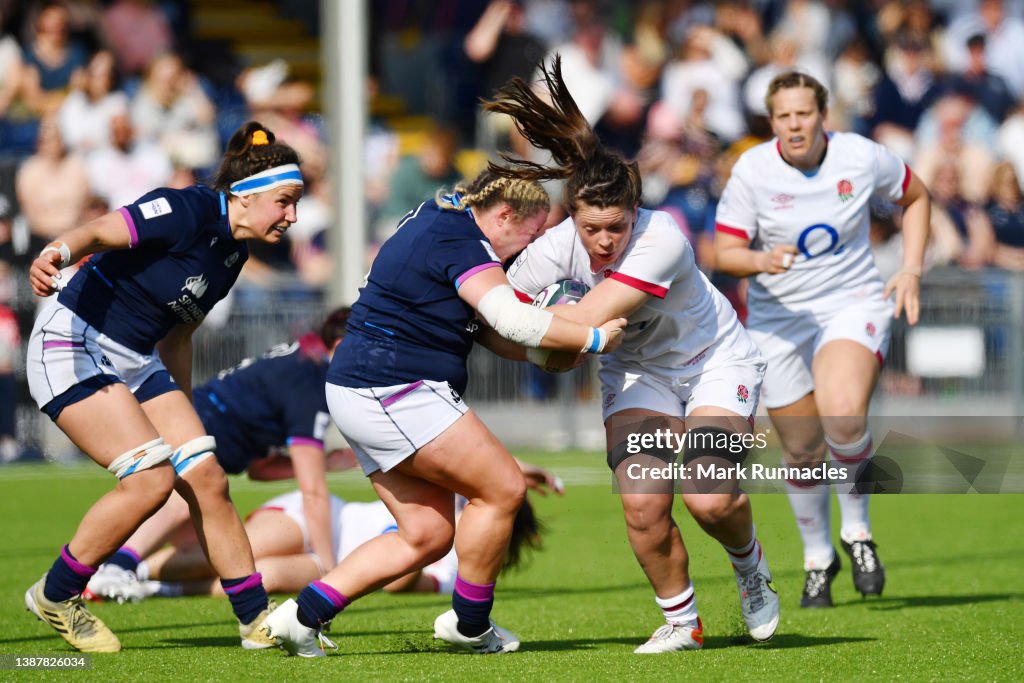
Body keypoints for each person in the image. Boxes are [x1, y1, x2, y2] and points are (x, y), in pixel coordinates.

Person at [262, 168, 627, 657]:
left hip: (368, 387)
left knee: (426, 535)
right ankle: (471, 625)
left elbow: (493, 333)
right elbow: (512, 320)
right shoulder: (458, 237)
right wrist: (595, 337)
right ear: (503, 215)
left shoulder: (444, 219)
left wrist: (550, 350)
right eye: (532, 233)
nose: (531, 246)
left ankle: (302, 615)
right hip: (391, 385)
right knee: (503, 489)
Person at [490, 56, 780, 654]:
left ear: (635, 214)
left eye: (615, 227)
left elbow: (587, 319)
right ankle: (683, 623)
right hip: (639, 373)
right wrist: (535, 344)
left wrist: (545, 337)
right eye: (591, 227)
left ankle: (750, 568)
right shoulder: (555, 249)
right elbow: (498, 314)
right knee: (644, 506)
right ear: (573, 215)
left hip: (714, 363)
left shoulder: (662, 238)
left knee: (708, 497)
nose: (603, 241)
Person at [23, 121, 305, 653]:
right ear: (245, 197)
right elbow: (101, 230)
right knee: (151, 482)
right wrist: (56, 252)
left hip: (137, 358)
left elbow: (180, 335)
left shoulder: (232, 256)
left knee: (207, 477)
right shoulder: (188, 210)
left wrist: (181, 408)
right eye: (285, 202)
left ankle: (254, 621)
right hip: (72, 340)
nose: (293, 216)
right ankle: (56, 594)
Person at [713, 72, 931, 607]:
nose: (794, 124)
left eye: (803, 113)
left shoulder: (861, 157)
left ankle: (857, 534)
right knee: (803, 449)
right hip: (778, 317)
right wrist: (761, 259)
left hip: (850, 303)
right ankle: (818, 558)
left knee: (842, 414)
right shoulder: (753, 170)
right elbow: (724, 251)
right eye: (783, 116)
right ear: (772, 122)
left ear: (822, 114)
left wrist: (910, 270)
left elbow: (917, 196)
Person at [83, 308, 353, 603]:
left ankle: (131, 573)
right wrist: (329, 572)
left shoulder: (305, 361)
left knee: (203, 544)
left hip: (197, 418)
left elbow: (259, 469)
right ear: (340, 347)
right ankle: (112, 568)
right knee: (183, 498)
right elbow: (312, 493)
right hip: (197, 422)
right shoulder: (311, 381)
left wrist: (325, 463)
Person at [110, 460, 559, 599]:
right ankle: (123, 571)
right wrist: (517, 469)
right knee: (233, 556)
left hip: (327, 565)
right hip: (320, 520)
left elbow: (399, 585)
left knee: (259, 578)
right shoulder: (453, 506)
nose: (464, 510)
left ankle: (149, 589)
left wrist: (418, 558)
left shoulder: (464, 570)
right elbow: (459, 458)